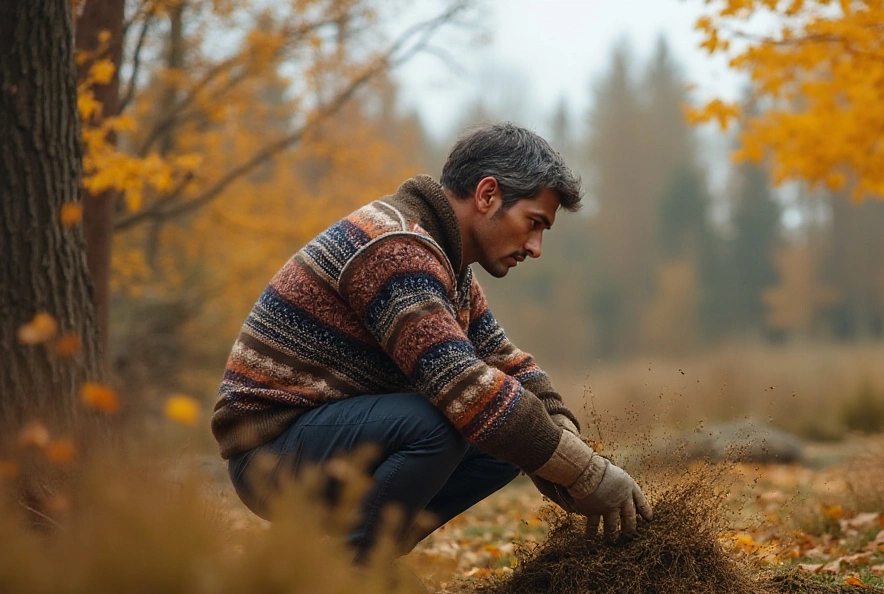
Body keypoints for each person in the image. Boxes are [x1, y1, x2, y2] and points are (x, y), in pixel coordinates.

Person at [211, 122, 652, 560]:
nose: (535, 247)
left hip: (324, 442)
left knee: (505, 439)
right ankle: (351, 570)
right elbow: (464, 385)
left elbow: (502, 360)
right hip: (269, 455)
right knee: (451, 418)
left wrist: (569, 446)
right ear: (487, 195)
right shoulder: (395, 247)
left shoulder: (446, 262)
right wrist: (586, 474)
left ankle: (370, 557)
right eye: (533, 223)